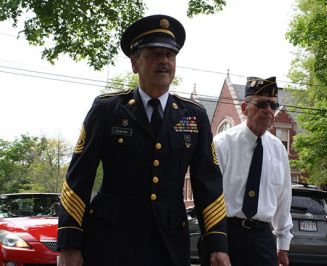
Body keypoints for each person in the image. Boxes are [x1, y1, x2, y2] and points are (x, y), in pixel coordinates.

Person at [57, 14, 230, 266]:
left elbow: (209, 184)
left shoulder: (194, 116)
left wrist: (217, 245)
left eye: (169, 55)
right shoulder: (107, 110)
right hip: (111, 242)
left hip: (169, 243)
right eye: (154, 54)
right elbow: (78, 179)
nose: (164, 61)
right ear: (134, 63)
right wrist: (69, 244)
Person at [213, 76, 293, 266]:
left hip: (262, 238)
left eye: (273, 105)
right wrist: (215, 244)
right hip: (226, 234)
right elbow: (210, 197)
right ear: (244, 108)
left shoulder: (278, 149)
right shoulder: (222, 144)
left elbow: (284, 198)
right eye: (261, 104)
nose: (268, 110)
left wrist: (283, 244)